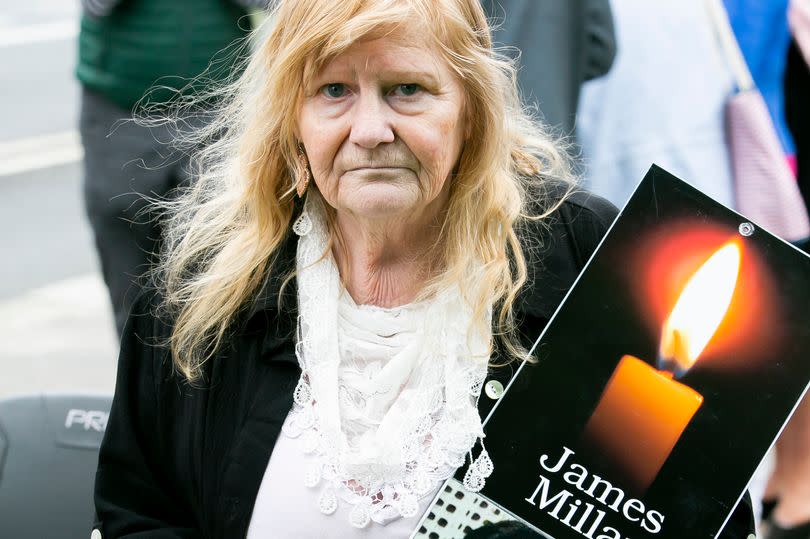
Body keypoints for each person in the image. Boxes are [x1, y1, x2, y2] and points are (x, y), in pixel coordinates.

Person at [92, 1, 756, 537]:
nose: (371, 128)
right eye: (333, 91)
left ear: (470, 111)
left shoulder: (588, 264)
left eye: (407, 89)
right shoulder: (209, 290)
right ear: (292, 120)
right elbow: (139, 512)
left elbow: (702, 508)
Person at [77, 0, 266, 336]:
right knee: (133, 303)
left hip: (218, 115)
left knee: (221, 294)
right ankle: (141, 386)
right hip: (120, 115)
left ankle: (210, 386)